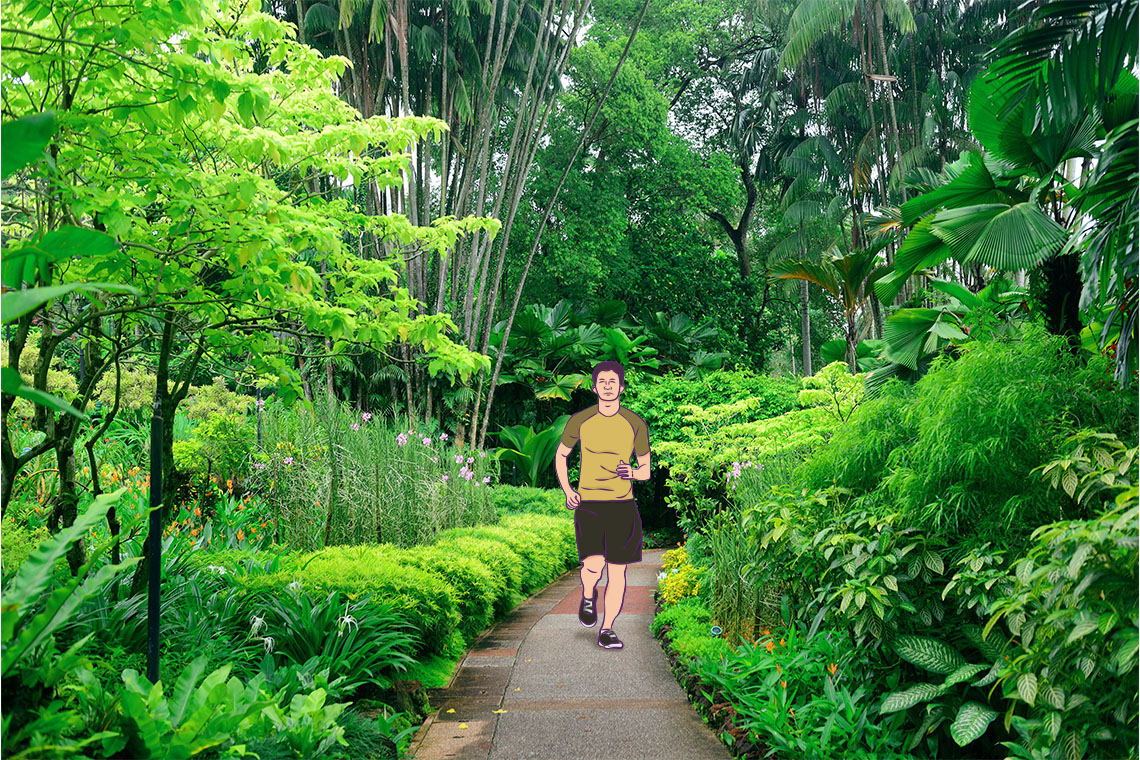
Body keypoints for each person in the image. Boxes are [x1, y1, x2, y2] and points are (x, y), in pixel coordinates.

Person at [554, 360, 650, 650]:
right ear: (595, 387)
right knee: (593, 567)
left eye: (613, 382)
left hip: (622, 506)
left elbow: (645, 470)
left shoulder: (635, 424)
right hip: (589, 504)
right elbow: (561, 456)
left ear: (621, 387)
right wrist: (568, 490)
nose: (608, 386)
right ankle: (587, 595)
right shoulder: (580, 421)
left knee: (618, 571)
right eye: (602, 382)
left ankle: (607, 629)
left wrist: (631, 473)